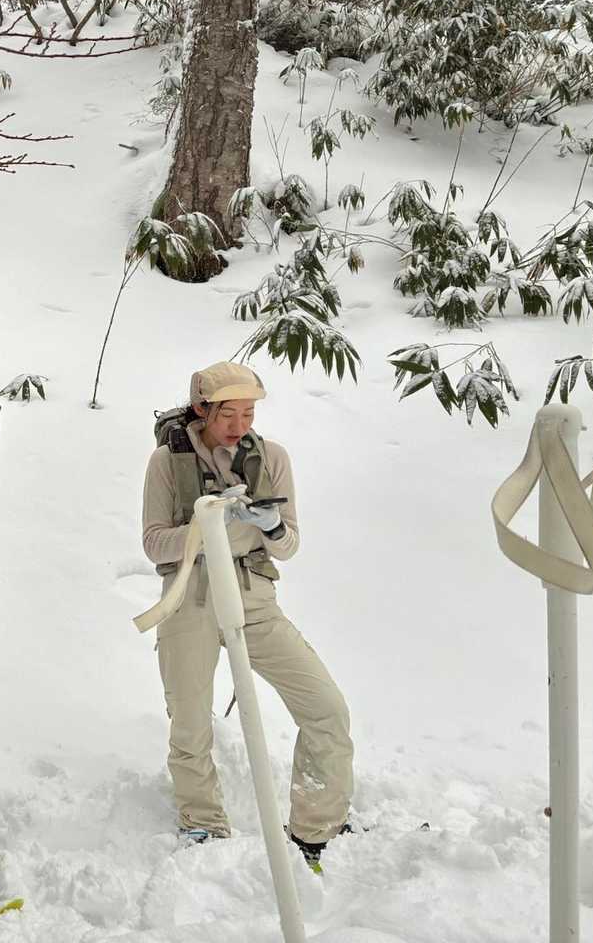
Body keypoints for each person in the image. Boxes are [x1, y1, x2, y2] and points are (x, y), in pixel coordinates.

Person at [141, 361, 354, 870]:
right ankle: (202, 824)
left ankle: (317, 827)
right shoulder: (167, 462)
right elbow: (153, 543)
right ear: (202, 410)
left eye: (249, 414)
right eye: (228, 414)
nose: (239, 426)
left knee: (326, 707)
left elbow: (289, 546)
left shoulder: (271, 458)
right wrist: (207, 525)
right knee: (189, 722)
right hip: (190, 596)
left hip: (253, 595)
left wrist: (271, 525)